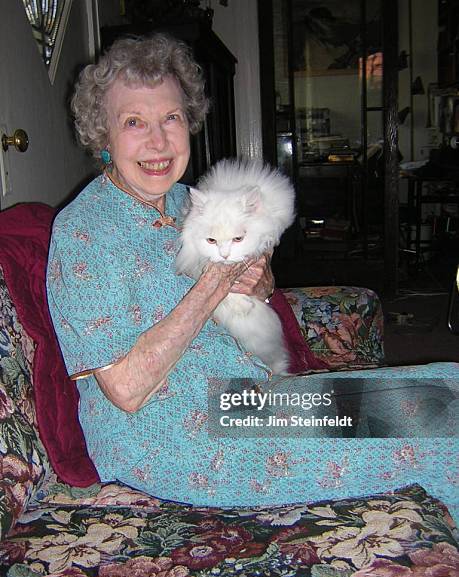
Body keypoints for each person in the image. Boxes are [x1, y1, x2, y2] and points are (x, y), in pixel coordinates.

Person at [47, 34, 458, 516]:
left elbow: (244, 297)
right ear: (104, 134)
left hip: (248, 402)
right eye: (134, 122)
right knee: (439, 432)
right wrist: (214, 283)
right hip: (171, 440)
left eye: (171, 119)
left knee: (447, 392)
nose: (157, 142)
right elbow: (127, 389)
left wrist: (259, 284)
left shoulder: (186, 201)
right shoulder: (83, 232)